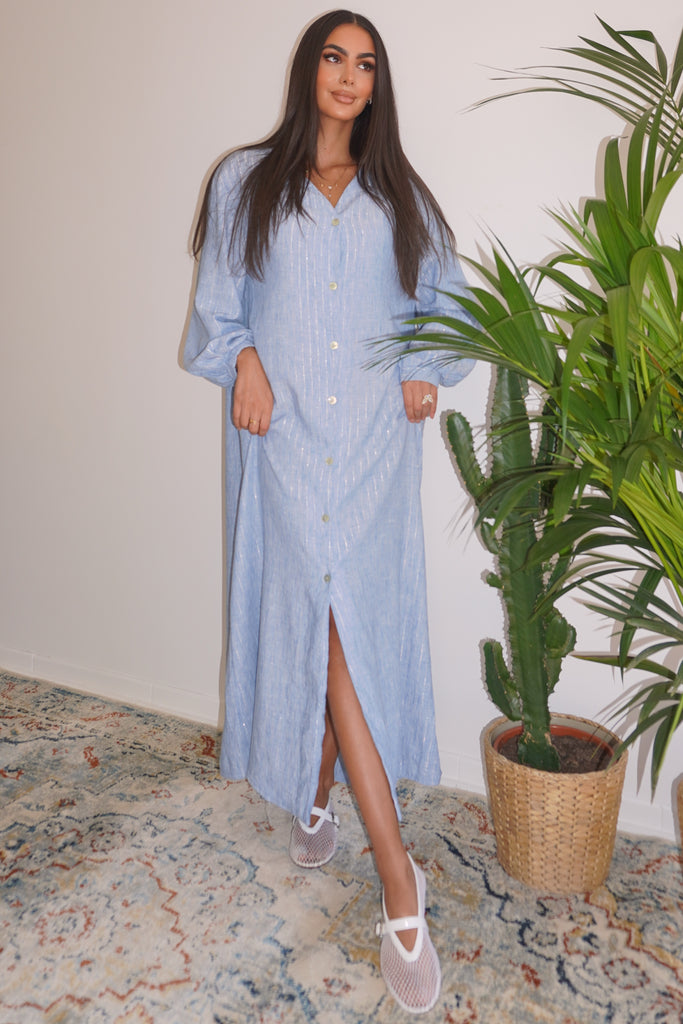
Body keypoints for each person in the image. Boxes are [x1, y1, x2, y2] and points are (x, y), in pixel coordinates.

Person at [184, 10, 474, 1014]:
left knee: (344, 632)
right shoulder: (244, 182)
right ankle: (376, 857)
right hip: (284, 442)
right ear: (308, 68)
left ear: (376, 85)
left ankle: (372, 855)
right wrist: (245, 361)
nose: (349, 76)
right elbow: (218, 311)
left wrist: (424, 365)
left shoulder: (402, 197)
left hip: (373, 455)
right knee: (319, 623)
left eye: (366, 64)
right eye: (333, 57)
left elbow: (449, 308)